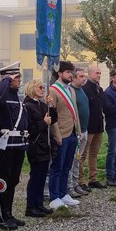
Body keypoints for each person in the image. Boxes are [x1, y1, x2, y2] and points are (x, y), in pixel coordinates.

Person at [0, 62, 29, 230]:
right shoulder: (0, 94)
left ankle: (8, 213)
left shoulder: (15, 96)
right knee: (4, 179)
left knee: (13, 179)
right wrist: (6, 80)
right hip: (4, 145)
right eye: (16, 77)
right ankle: (0, 217)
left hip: (18, 144)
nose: (19, 80)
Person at [47, 61, 81, 209]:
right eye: (68, 72)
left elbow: (75, 112)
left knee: (67, 165)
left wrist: (78, 131)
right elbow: (52, 115)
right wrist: (57, 135)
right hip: (61, 133)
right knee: (57, 167)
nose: (70, 75)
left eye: (71, 72)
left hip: (72, 132)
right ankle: (54, 196)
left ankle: (63, 193)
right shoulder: (53, 91)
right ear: (60, 74)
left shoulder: (71, 90)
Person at [23, 79, 55, 218]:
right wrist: (43, 123)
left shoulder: (42, 105)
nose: (43, 89)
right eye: (40, 87)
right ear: (32, 88)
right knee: (35, 176)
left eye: (43, 87)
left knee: (42, 175)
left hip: (44, 144)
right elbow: (29, 128)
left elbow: (53, 119)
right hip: (35, 145)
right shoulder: (27, 106)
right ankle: (31, 206)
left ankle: (39, 203)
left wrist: (51, 106)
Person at [81, 65, 107, 190]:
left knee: (94, 153)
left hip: (98, 125)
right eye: (97, 73)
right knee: (83, 154)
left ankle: (93, 178)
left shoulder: (99, 89)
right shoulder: (85, 89)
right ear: (90, 74)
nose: (99, 75)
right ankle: (81, 180)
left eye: (100, 73)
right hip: (88, 126)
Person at [68, 67, 90, 197]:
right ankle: (69, 186)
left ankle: (76, 184)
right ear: (74, 78)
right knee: (72, 160)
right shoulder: (71, 91)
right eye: (81, 76)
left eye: (84, 76)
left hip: (85, 130)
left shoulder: (82, 90)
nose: (84, 79)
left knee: (78, 159)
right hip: (76, 130)